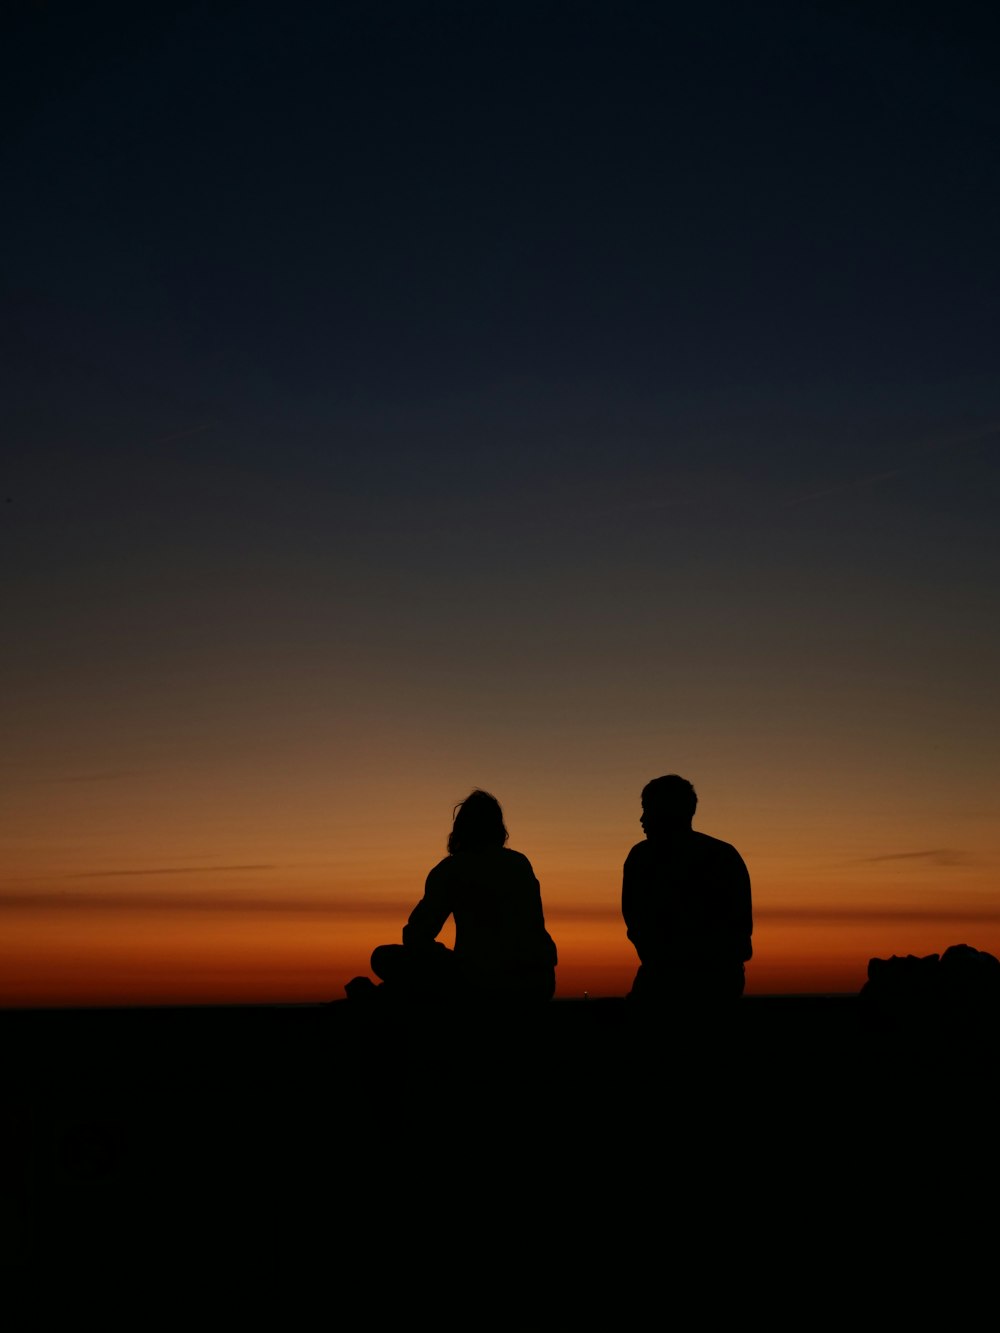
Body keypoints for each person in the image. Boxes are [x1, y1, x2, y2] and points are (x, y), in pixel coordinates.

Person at [366, 789, 558, 1004]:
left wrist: (446, 958)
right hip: (538, 983)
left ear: (460, 828)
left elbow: (415, 936)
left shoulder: (450, 870)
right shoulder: (519, 864)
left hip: (481, 983)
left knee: (382, 957)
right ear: (498, 828)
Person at [622, 774, 752, 1012]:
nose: (642, 819)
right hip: (717, 980)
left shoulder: (642, 858)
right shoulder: (724, 855)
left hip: (679, 981)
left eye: (647, 809)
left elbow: (637, 922)